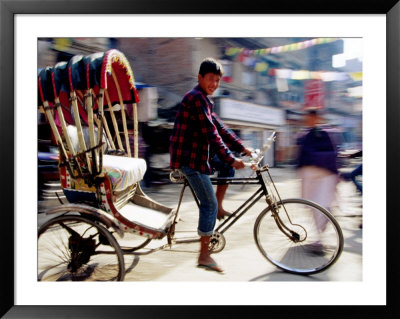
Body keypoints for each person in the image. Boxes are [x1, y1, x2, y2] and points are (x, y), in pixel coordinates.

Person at [169, 58, 252, 273]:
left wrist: (243, 148)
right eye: (210, 79)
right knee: (208, 204)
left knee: (227, 169)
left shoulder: (204, 99)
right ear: (200, 78)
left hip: (199, 155)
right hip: (189, 160)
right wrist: (230, 156)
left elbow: (221, 128)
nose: (214, 84)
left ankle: (219, 207)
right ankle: (204, 256)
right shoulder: (196, 98)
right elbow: (211, 133)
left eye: (217, 80)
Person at [296, 109, 340, 234]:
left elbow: (332, 155)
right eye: (306, 118)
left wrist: (335, 174)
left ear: (316, 118)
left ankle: (319, 237)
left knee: (321, 203)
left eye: (310, 118)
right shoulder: (306, 135)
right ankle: (318, 237)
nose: (308, 121)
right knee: (314, 205)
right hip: (311, 176)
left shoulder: (324, 133)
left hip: (324, 175)